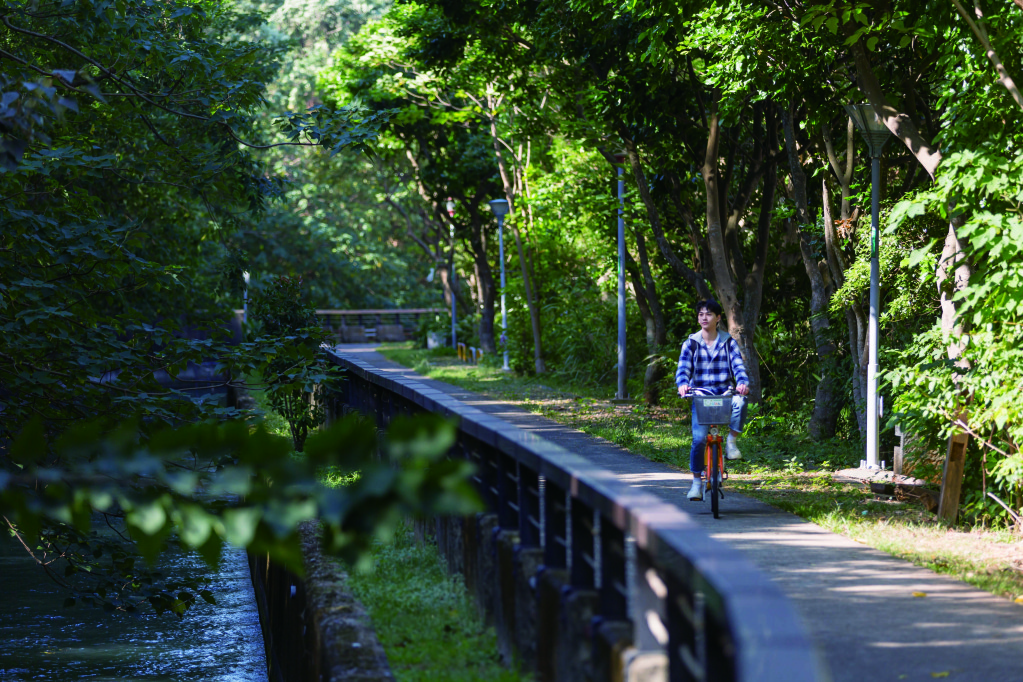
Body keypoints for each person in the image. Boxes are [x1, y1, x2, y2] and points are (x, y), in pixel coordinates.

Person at [675, 299, 750, 501]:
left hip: (723, 394)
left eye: (708, 314)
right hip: (700, 396)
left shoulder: (728, 342)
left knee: (741, 401)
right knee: (699, 440)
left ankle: (731, 442)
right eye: (701, 314)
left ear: (718, 318)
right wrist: (683, 384)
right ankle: (696, 483)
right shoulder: (691, 343)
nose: (704, 317)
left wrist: (742, 383)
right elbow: (683, 370)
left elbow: (738, 368)